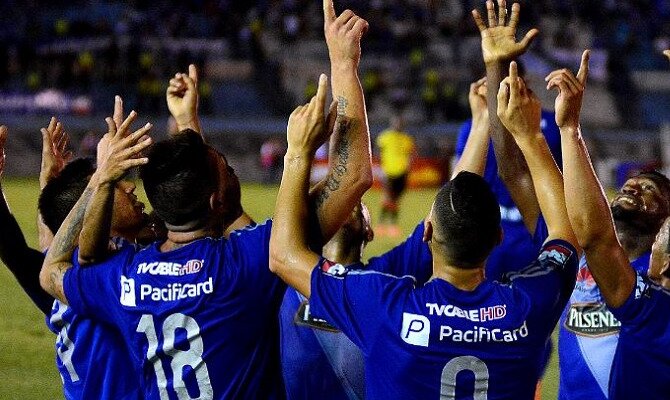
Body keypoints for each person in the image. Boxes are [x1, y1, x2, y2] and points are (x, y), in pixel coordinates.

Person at [269, 49, 580, 400]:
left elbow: (282, 254)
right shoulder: (527, 303)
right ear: (497, 238)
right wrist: (534, 137)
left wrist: (297, 152)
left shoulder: (384, 302)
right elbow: (563, 234)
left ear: (428, 232)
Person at [554, 49, 670, 399]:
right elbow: (526, 170)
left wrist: (570, 130)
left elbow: (596, 236)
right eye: (631, 184)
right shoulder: (579, 259)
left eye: (651, 190)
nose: (633, 187)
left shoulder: (650, 301)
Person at [376, 116, 415, 237]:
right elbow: (379, 151)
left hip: (402, 172)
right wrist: (382, 166)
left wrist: (408, 167)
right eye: (396, 123)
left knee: (396, 200)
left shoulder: (407, 139)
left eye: (400, 123)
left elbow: (410, 155)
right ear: (392, 123)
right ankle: (382, 225)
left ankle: (391, 226)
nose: (398, 125)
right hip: (388, 172)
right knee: (387, 198)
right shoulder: (385, 137)